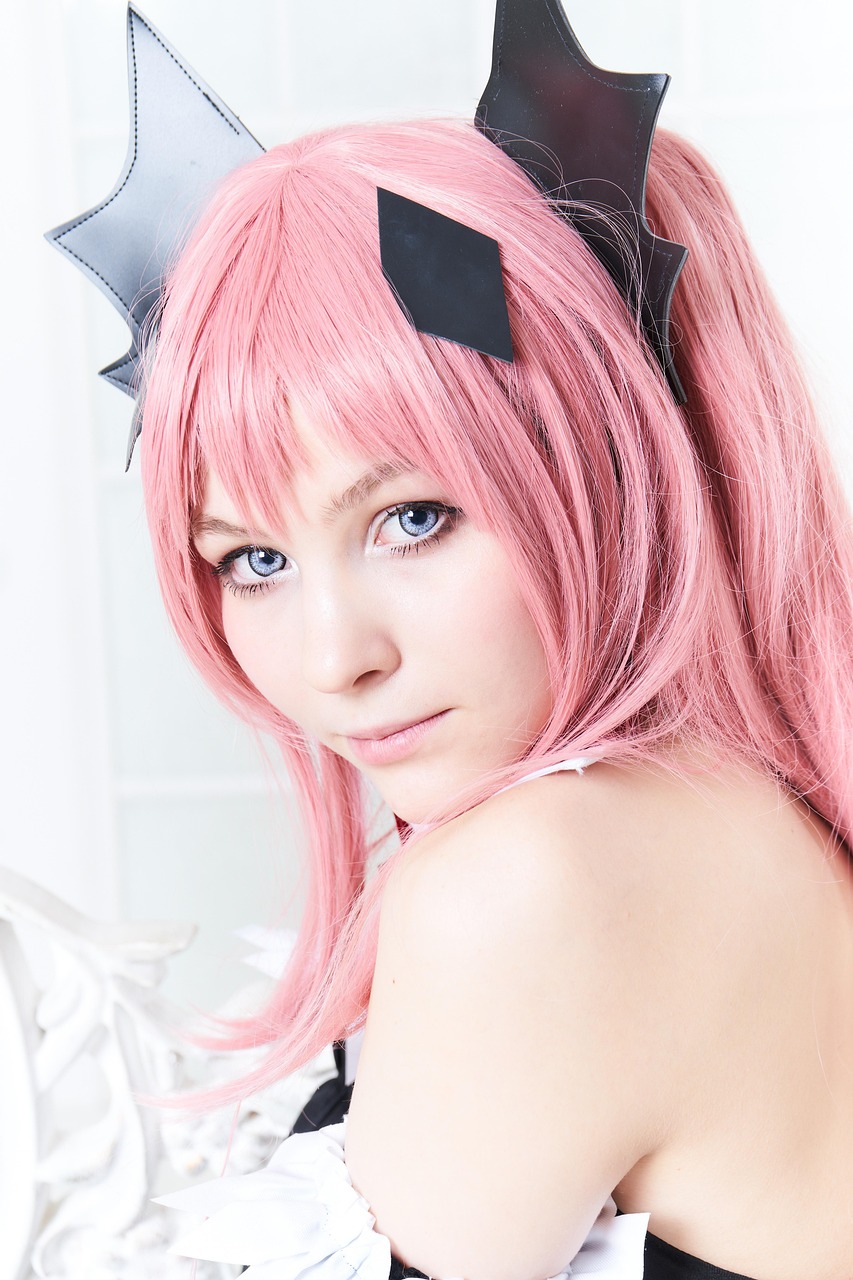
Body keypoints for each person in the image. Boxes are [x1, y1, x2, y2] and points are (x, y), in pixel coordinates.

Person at [53, 8, 853, 1280]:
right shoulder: (758, 806)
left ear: (611, 467)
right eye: (252, 558)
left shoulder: (529, 880)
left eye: (413, 518)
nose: (335, 658)